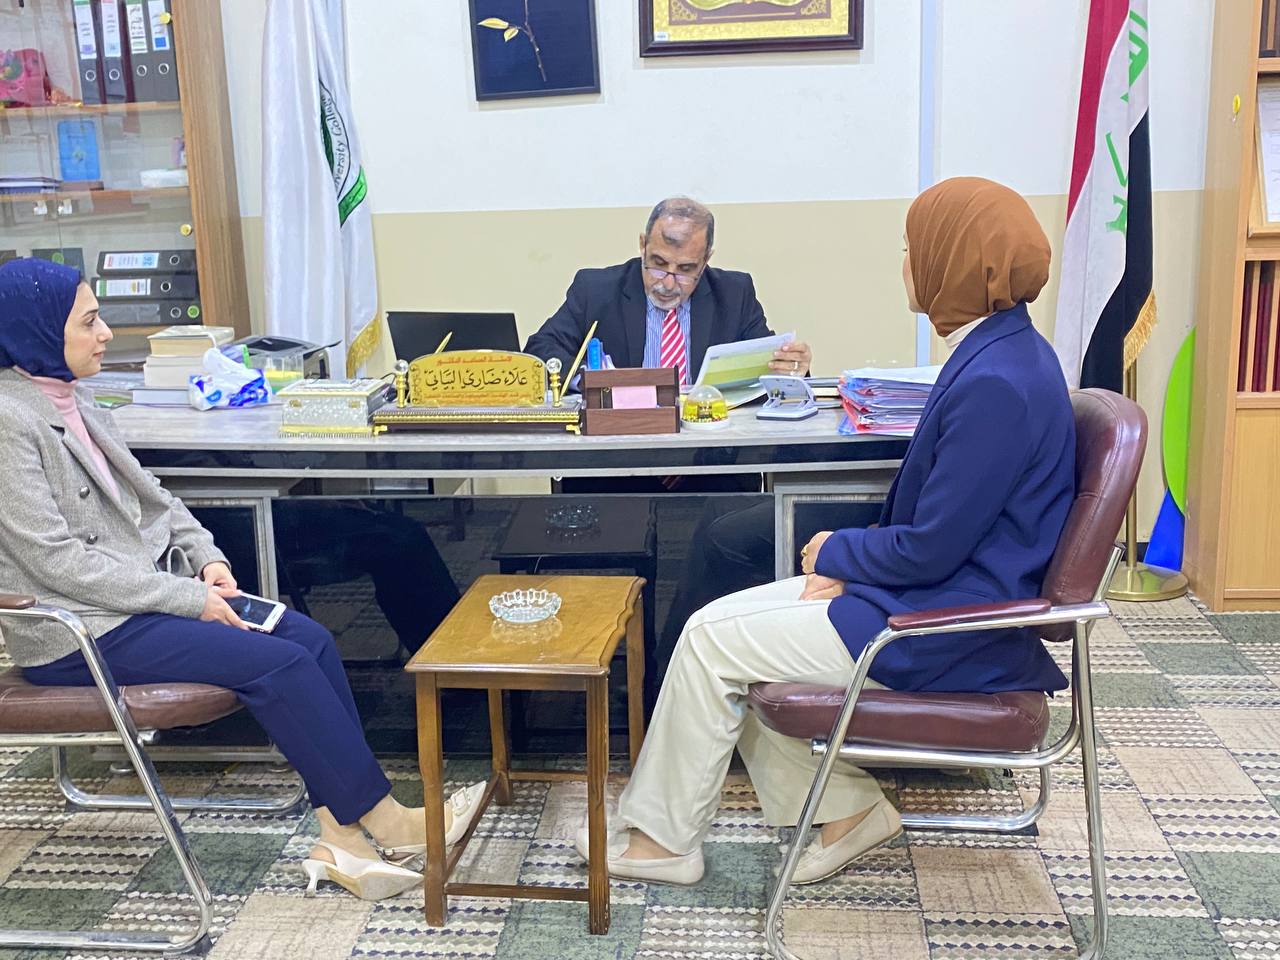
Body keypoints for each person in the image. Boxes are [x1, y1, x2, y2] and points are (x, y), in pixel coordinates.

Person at [576, 177, 1075, 886]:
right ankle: (846, 812)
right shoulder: (1003, 353)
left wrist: (838, 550)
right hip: (933, 596)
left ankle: (664, 844)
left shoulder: (996, 380)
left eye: (915, 250)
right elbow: (944, 530)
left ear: (953, 262)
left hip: (947, 625)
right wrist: (856, 565)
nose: (907, 265)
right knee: (717, 629)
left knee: (713, 641)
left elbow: (933, 545)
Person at [0, 258, 483, 901]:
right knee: (276, 665)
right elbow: (57, 562)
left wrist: (206, 556)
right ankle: (381, 820)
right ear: (35, 332)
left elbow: (158, 500)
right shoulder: (10, 421)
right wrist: (190, 598)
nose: (107, 333)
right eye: (90, 321)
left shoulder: (77, 399)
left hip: (137, 603)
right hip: (76, 630)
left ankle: (340, 836)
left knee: (307, 638)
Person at [526, 196, 813, 384]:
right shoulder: (596, 289)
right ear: (643, 245)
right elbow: (540, 351)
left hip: (709, 463)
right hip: (617, 462)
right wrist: (590, 381)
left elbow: (768, 365)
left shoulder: (734, 294)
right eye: (658, 264)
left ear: (706, 260)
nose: (667, 283)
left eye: (686, 269)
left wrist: (792, 368)